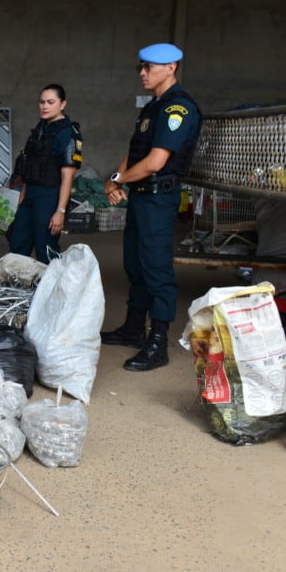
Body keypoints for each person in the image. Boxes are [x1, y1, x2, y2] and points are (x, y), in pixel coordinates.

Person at [101, 43, 202, 372]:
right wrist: (115, 179)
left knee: (157, 270)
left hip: (159, 197)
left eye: (149, 67)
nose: (142, 73)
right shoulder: (153, 107)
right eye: (141, 67)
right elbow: (135, 153)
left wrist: (120, 180)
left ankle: (158, 343)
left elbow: (156, 162)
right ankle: (133, 328)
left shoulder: (178, 108)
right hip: (142, 196)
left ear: (171, 67)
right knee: (135, 264)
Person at [8, 84, 83, 264]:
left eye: (50, 102)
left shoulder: (68, 133)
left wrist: (60, 211)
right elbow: (29, 171)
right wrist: (21, 203)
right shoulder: (40, 130)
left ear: (62, 104)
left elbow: (68, 177)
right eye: (42, 102)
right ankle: (18, 282)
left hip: (49, 197)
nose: (45, 106)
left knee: (45, 249)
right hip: (30, 195)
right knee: (17, 243)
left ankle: (50, 282)